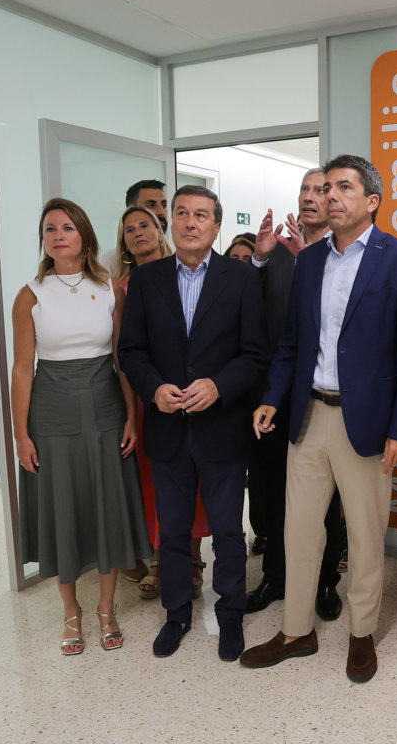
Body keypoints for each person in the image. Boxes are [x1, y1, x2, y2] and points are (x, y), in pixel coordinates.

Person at [239, 154, 397, 684]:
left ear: (372, 200)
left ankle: (361, 633)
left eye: (343, 187)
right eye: (326, 188)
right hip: (308, 417)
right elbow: (292, 342)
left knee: (366, 538)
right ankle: (296, 630)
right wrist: (273, 398)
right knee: (299, 532)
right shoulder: (309, 262)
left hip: (366, 423)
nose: (330, 197)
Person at [117, 185, 267, 662]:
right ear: (171, 223)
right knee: (174, 532)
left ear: (216, 226)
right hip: (167, 429)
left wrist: (219, 385)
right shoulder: (147, 280)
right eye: (181, 213)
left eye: (201, 215)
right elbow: (130, 351)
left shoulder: (241, 279)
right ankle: (177, 613)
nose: (190, 222)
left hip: (222, 427)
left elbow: (255, 355)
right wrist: (153, 388)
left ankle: (230, 613)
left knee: (227, 532)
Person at [11, 198, 152, 656]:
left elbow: (122, 359)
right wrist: (20, 434)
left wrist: (131, 416)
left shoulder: (109, 286)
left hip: (106, 405)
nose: (58, 236)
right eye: (50, 229)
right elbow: (22, 369)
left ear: (84, 236)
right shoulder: (30, 295)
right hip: (51, 411)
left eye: (67, 228)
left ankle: (106, 609)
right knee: (63, 507)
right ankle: (71, 612)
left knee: (106, 506)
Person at [242, 168, 346, 623]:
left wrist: (312, 265)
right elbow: (248, 309)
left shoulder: (340, 255)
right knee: (271, 488)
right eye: (305, 189)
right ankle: (275, 576)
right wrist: (259, 260)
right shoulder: (278, 249)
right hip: (274, 392)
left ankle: (325, 579)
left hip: (322, 395)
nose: (310, 197)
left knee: (326, 496)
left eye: (320, 190)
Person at [113, 206, 211, 601]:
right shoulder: (119, 286)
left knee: (195, 478)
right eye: (129, 229)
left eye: (145, 225)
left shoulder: (184, 272)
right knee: (153, 481)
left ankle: (193, 559)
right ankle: (159, 559)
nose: (138, 233)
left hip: (192, 394)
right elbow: (124, 349)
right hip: (142, 395)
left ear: (160, 231)